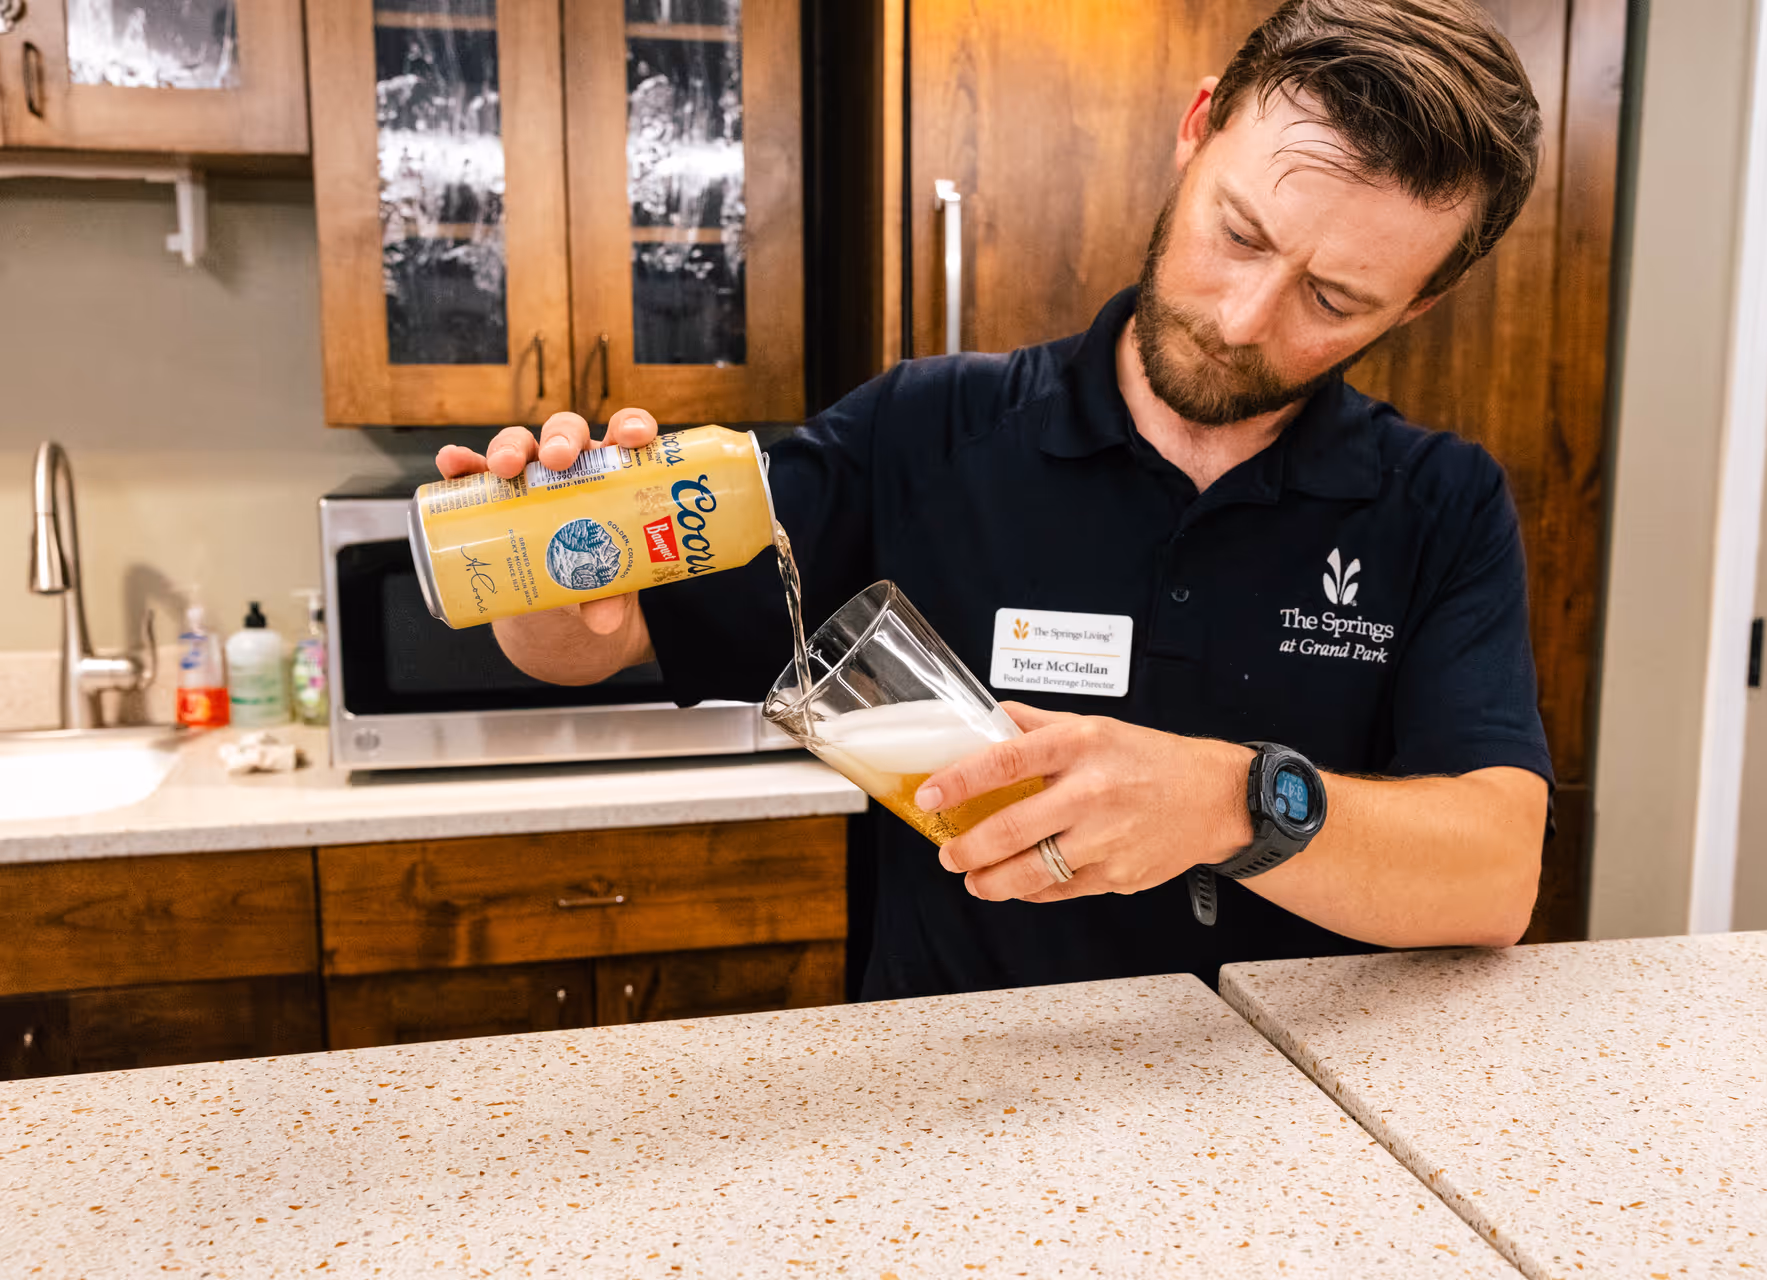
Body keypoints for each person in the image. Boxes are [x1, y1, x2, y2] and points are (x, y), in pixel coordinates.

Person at [436, 0, 1554, 999]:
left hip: (1288, 1109)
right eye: (1241, 233)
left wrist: (1228, 800)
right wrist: (554, 592)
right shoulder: (923, 430)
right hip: (955, 1098)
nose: (1247, 317)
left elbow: (1495, 875)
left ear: (1423, 299)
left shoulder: (1437, 500)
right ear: (1198, 126)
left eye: (1335, 295)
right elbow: (600, 641)